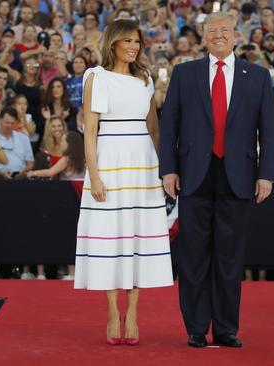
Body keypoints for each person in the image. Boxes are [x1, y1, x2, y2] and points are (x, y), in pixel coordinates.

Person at [159, 12, 274, 348]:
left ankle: (226, 328)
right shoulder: (185, 73)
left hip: (238, 176)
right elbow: (169, 124)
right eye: (212, 31)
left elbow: (268, 131)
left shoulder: (257, 76)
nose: (219, 35)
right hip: (193, 175)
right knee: (193, 255)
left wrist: (266, 173)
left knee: (230, 258)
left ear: (236, 35)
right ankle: (196, 327)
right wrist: (168, 168)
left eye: (225, 30)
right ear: (203, 36)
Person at [74, 19, 174, 347]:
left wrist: (163, 169)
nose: (133, 46)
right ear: (113, 42)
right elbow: (90, 131)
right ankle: (111, 311)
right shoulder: (96, 77)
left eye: (137, 41)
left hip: (143, 164)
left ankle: (132, 312)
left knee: (138, 238)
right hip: (109, 162)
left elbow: (155, 129)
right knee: (110, 238)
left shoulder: (146, 80)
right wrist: (96, 175)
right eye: (127, 40)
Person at [27, 131, 86, 280]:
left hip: (67, 200)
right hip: (82, 200)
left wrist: (33, 172)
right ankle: (75, 272)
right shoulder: (84, 159)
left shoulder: (67, 158)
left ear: (70, 144)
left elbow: (50, 172)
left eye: (65, 141)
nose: (63, 143)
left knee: (67, 236)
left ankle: (71, 272)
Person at [0, 107, 33, 179]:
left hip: (21, 180)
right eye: (7, 123)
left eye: (12, 123)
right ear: (0, 120)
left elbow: (30, 163)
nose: (10, 126)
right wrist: (0, 174)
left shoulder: (24, 138)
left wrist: (22, 173)